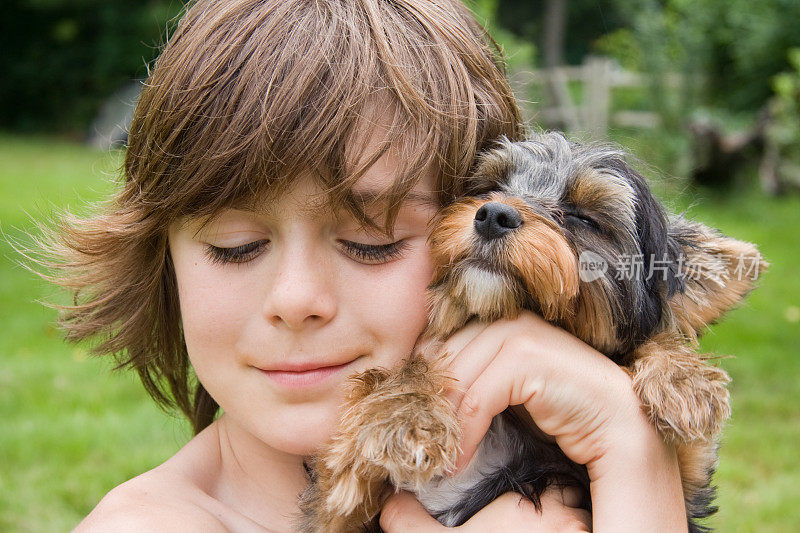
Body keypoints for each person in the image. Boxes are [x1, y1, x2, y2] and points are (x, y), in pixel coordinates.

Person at [42, 0, 687, 531]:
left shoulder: (597, 464)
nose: (296, 299)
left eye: (373, 243)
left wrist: (630, 449)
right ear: (165, 266)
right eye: (234, 245)